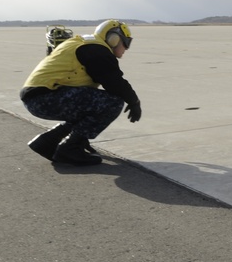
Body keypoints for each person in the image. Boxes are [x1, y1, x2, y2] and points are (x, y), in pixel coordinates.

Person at [21, 19, 142, 165]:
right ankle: (70, 149)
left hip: (39, 97)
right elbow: (114, 82)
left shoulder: (83, 43)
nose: (127, 48)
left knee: (90, 105)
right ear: (114, 39)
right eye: (126, 42)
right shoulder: (97, 50)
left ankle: (47, 141)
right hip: (45, 98)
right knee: (113, 102)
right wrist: (134, 102)